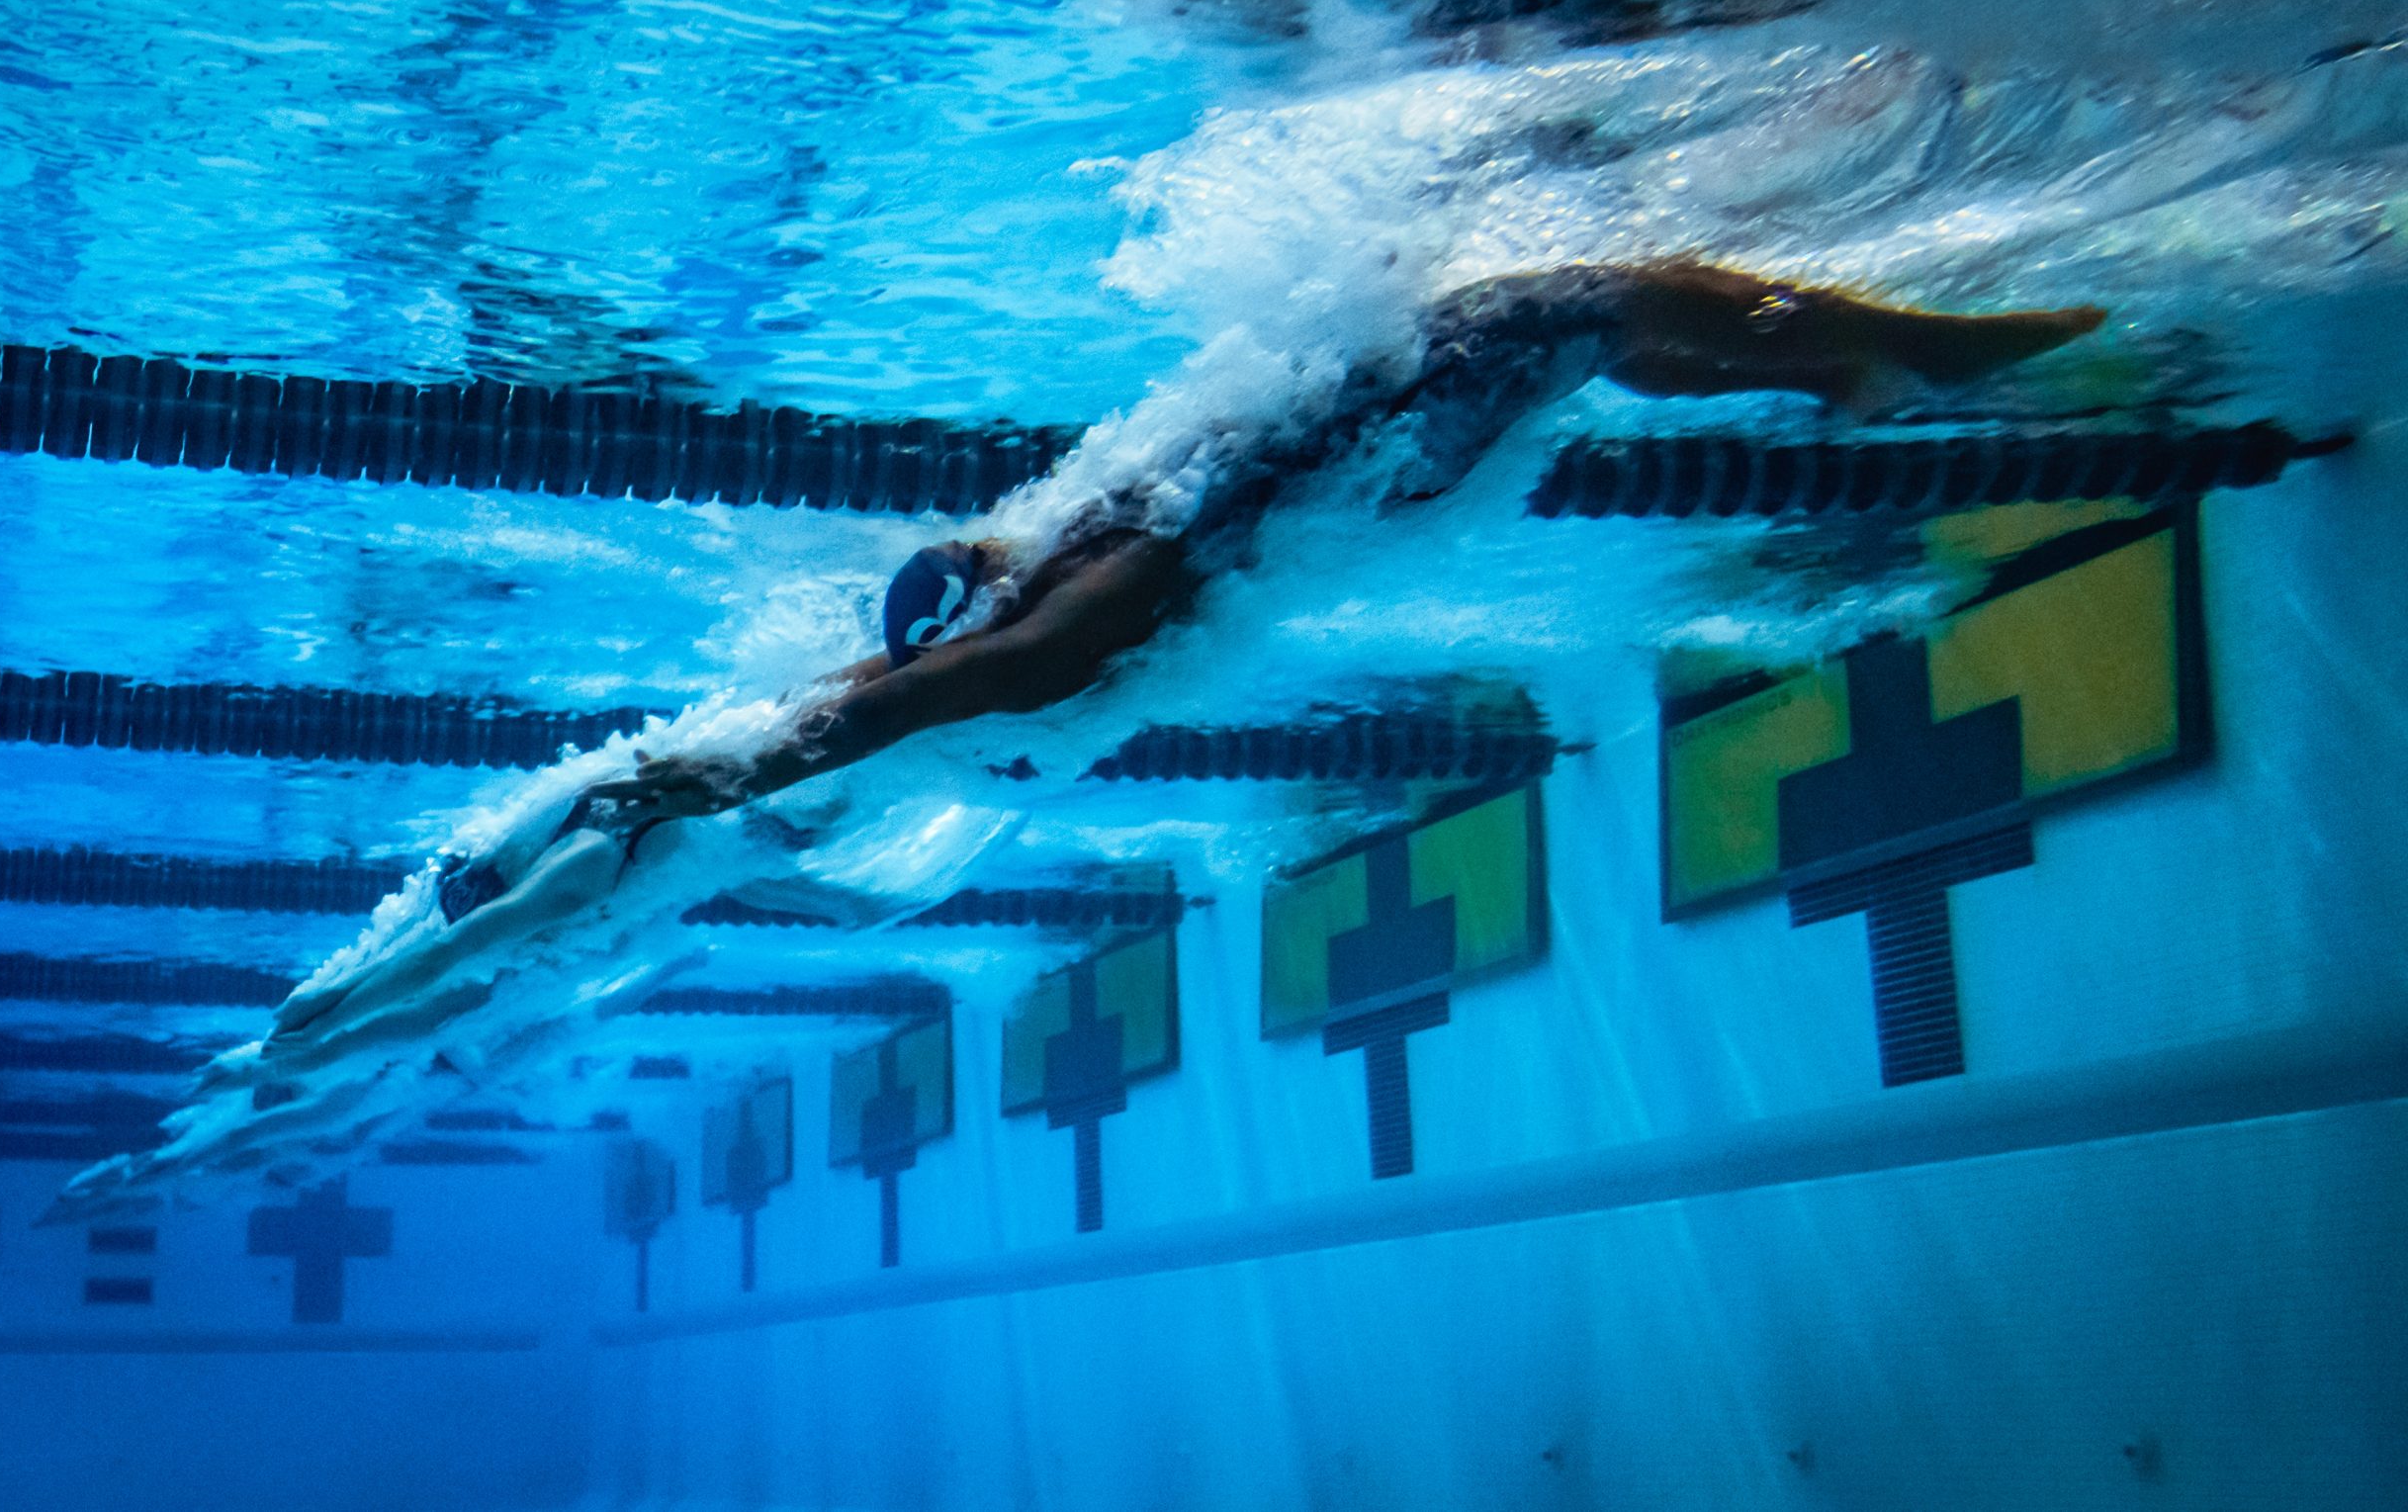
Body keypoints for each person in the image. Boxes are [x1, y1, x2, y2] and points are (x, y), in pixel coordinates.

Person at [349, 261, 2099, 999]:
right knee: (1582, 304)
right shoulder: (1087, 606)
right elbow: (917, 697)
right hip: (1370, 459)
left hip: (1351, 456)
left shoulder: (1047, 556)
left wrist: (666, 771)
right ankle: (1909, 352)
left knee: (1588, 325)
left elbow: (873, 682)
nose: (985, 552)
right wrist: (692, 782)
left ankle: (1831, 362)